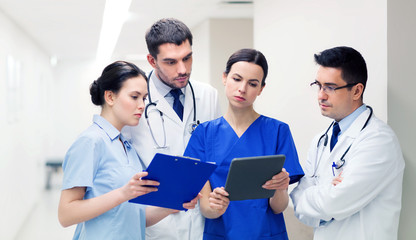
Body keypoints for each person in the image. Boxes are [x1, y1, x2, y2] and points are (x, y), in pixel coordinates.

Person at [58, 61, 199, 240]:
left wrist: (174, 204)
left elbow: (135, 217)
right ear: (110, 97)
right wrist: (123, 193)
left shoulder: (126, 145)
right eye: (134, 97)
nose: (142, 105)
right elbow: (66, 214)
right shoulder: (90, 142)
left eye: (144, 98)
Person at [183, 48, 304, 239]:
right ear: (225, 78)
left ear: (261, 89)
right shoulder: (203, 134)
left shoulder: (278, 131)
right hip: (221, 233)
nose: (242, 89)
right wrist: (216, 206)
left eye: (252, 83)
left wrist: (280, 187)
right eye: (237, 79)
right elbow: (206, 208)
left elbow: (278, 207)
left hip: (266, 233)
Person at [290, 46, 405, 240]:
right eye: (318, 85)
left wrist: (321, 198)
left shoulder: (378, 141)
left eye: (330, 87)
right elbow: (297, 200)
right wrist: (328, 190)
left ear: (356, 91)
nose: (321, 95)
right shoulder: (320, 141)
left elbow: (333, 203)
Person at [121, 18, 221, 240]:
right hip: (156, 226)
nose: (183, 69)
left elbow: (213, 156)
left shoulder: (208, 96)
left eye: (187, 58)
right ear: (151, 60)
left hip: (200, 223)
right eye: (171, 62)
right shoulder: (133, 99)